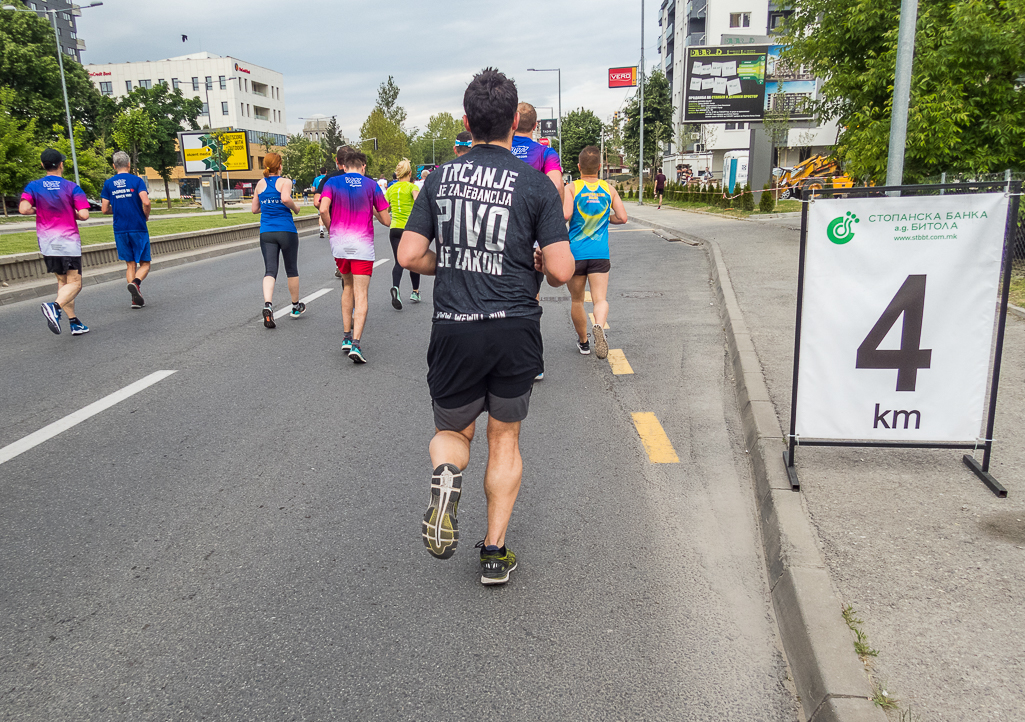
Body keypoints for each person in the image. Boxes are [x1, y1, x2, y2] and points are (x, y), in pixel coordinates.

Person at [398, 67, 575, 585]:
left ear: (466, 120)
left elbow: (410, 254)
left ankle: (446, 474)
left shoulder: (439, 178)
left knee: (453, 431)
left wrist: (447, 262)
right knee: (505, 439)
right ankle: (494, 553)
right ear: (516, 124)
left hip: (455, 327)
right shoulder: (536, 184)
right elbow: (563, 271)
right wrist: (536, 260)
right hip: (515, 327)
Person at [319, 147, 390, 363]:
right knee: (361, 294)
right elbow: (387, 221)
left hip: (339, 244)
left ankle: (346, 337)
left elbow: (322, 209)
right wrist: (373, 209)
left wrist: (332, 230)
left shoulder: (332, 183)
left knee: (347, 286)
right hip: (362, 245)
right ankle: (356, 345)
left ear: (344, 165)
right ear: (363, 165)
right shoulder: (371, 185)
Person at [563, 146, 628, 360]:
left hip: (576, 254)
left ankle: (584, 343)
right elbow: (623, 217)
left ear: (579, 167)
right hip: (600, 253)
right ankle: (599, 325)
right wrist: (606, 218)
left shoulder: (572, 188)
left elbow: (566, 215)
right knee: (600, 299)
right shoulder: (609, 189)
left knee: (577, 301)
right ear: (600, 167)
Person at [20, 149, 91, 336]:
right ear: (61, 164)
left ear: (43, 165)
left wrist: (40, 210)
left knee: (63, 282)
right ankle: (55, 306)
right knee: (75, 284)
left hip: (47, 241)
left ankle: (74, 322)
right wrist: (70, 212)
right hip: (68, 241)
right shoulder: (71, 187)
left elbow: (24, 208)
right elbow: (84, 214)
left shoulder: (33, 186)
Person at [251, 152, 303, 328]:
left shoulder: (260, 184)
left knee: (270, 270)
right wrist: (295, 209)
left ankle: (268, 305)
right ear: (279, 166)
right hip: (286, 230)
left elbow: (254, 209)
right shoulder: (285, 182)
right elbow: (286, 198)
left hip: (266, 232)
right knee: (291, 269)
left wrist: (268, 206)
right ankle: (295, 306)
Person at [101, 150, 151, 309]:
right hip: (138, 227)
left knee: (130, 264)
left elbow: (104, 209)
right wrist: (145, 215)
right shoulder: (137, 181)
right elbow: (146, 202)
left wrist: (117, 209)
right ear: (129, 164)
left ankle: (135, 299)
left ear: (114, 166)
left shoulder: (108, 184)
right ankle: (136, 284)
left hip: (120, 229)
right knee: (145, 263)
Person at [383, 158, 421, 309]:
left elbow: (384, 208)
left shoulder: (391, 189)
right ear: (410, 173)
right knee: (413, 262)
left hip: (394, 229)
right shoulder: (412, 187)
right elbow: (418, 201)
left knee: (399, 261)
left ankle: (396, 288)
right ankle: (415, 291)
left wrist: (389, 220)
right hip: (409, 229)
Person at [312, 167, 328, 237]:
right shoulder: (328, 178)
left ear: (319, 172)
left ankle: (321, 229)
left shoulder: (316, 179)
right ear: (326, 171)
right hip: (327, 197)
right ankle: (329, 229)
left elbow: (313, 189)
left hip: (319, 197)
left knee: (321, 214)